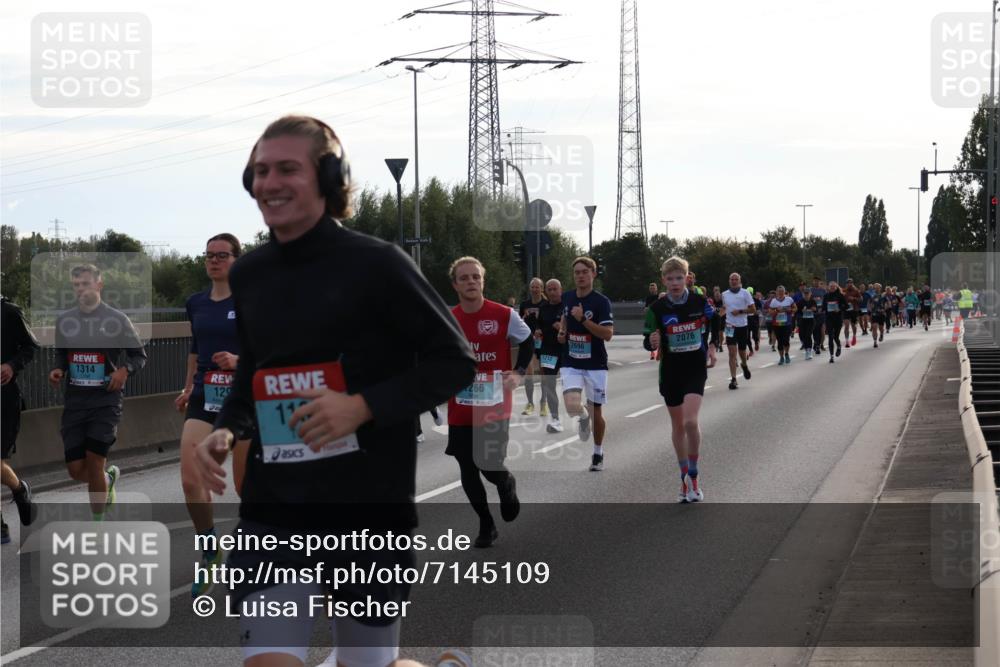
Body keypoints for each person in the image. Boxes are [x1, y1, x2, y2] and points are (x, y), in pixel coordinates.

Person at [193, 114, 477, 667]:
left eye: (287, 169)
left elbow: (454, 361)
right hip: (275, 508)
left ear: (329, 176)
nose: (269, 182)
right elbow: (256, 371)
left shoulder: (378, 265)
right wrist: (226, 429)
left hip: (368, 509)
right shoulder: (250, 274)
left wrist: (362, 406)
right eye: (259, 171)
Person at [175, 233, 250, 597]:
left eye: (222, 255)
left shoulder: (252, 301)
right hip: (205, 398)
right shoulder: (196, 303)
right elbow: (195, 347)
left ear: (237, 260)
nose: (214, 260)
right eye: (209, 255)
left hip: (246, 398)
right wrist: (189, 386)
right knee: (191, 480)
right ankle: (210, 550)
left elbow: (268, 348)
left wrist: (240, 362)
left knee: (245, 487)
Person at [49, 264, 147, 521]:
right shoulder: (65, 321)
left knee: (94, 461)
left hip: (106, 401)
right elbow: (61, 354)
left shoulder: (116, 319)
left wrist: (124, 371)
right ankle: (107, 479)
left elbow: (139, 355)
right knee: (75, 469)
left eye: (86, 283)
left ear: (99, 285)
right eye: (76, 285)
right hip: (75, 402)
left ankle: (97, 526)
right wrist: (58, 369)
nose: (80, 289)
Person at [447, 257, 533, 547]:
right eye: (464, 278)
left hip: (495, 402)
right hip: (461, 403)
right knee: (466, 467)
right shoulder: (449, 318)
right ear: (455, 285)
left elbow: (528, 341)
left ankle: (505, 483)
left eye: (476, 277)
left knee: (487, 463)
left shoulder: (503, 314)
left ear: (482, 281)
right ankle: (486, 523)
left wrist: (519, 372)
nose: (471, 281)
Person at [643, 257, 716, 503]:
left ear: (687, 277)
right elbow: (648, 338)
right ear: (663, 280)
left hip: (695, 367)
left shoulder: (699, 301)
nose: (675, 283)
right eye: (670, 278)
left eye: (679, 278)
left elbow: (714, 320)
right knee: (677, 427)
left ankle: (694, 475)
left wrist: (713, 346)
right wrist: (651, 343)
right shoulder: (657, 309)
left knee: (690, 421)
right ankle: (684, 476)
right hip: (671, 371)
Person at [557, 257, 614, 471]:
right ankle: (582, 417)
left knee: (596, 411)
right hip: (571, 360)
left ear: (593, 274)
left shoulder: (601, 302)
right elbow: (564, 317)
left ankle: (598, 453)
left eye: (584, 272)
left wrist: (583, 320)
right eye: (577, 273)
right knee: (572, 405)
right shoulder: (568, 297)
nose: (580, 276)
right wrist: (563, 331)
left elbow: (608, 334)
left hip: (595, 364)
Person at [1, 296, 40, 544]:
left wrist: (12, 365)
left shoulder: (10, 312)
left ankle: (19, 489)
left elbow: (31, 346)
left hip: (4, 398)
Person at [537, 278, 565, 433]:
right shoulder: (543, 307)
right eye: (550, 290)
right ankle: (555, 419)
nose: (553, 292)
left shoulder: (567, 306)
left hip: (566, 350)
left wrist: (562, 327)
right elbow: (539, 325)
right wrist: (538, 331)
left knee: (570, 385)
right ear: (546, 292)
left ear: (561, 290)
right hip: (548, 351)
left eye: (555, 289)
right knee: (550, 384)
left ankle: (580, 412)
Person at [721, 273, 756, 390]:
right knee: (732, 353)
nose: (734, 281)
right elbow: (724, 309)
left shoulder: (745, 293)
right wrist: (717, 316)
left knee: (742, 351)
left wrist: (740, 311)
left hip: (742, 326)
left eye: (736, 279)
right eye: (732, 279)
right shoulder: (724, 294)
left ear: (740, 281)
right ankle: (733, 379)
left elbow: (753, 310)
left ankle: (744, 365)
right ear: (729, 281)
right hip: (730, 326)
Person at [519, 278, 545, 416]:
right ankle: (530, 403)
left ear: (542, 289)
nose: (535, 289)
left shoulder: (546, 304)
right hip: (528, 341)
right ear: (530, 289)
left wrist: (541, 330)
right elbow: (519, 322)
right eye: (532, 287)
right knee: (529, 372)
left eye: (537, 287)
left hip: (544, 342)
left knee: (544, 372)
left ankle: (543, 403)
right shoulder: (524, 304)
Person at [768, 285, 796, 365]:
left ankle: (786, 354)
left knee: (786, 340)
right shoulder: (774, 301)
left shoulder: (789, 299)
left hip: (787, 324)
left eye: (782, 291)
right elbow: (770, 312)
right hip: (777, 324)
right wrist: (776, 310)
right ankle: (781, 357)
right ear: (776, 292)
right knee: (779, 341)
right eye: (779, 291)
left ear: (784, 292)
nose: (780, 293)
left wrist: (788, 309)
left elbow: (795, 308)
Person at [823, 281, 848, 363]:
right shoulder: (826, 296)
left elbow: (846, 306)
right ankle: (831, 356)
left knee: (835, 337)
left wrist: (839, 309)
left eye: (834, 287)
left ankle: (839, 346)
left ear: (836, 287)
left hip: (838, 318)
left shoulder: (840, 296)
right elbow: (823, 307)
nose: (832, 288)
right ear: (828, 288)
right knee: (830, 337)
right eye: (831, 287)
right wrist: (821, 309)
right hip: (829, 318)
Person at [797, 284, 818, 360]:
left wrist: (814, 309)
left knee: (808, 335)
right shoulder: (800, 302)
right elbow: (797, 312)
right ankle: (807, 349)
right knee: (803, 336)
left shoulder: (813, 301)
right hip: (803, 321)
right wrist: (802, 311)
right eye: (805, 294)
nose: (806, 295)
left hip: (811, 320)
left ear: (810, 294)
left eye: (807, 294)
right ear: (803, 294)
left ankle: (809, 351)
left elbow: (816, 310)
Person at [809, 277, 827, 354]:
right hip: (813, 314)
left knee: (822, 331)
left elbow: (826, 300)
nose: (816, 283)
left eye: (818, 281)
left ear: (820, 282)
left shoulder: (823, 291)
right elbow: (808, 300)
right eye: (815, 281)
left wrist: (823, 308)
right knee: (815, 330)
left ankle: (820, 344)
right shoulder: (810, 290)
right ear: (813, 282)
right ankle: (816, 344)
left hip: (822, 313)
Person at [843, 278, 861, 347]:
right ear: (846, 284)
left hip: (854, 310)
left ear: (852, 283)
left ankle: (854, 336)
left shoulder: (856, 291)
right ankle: (847, 341)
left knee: (853, 326)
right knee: (846, 325)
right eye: (848, 283)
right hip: (846, 310)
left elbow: (860, 299)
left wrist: (854, 298)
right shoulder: (843, 291)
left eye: (851, 283)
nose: (849, 284)